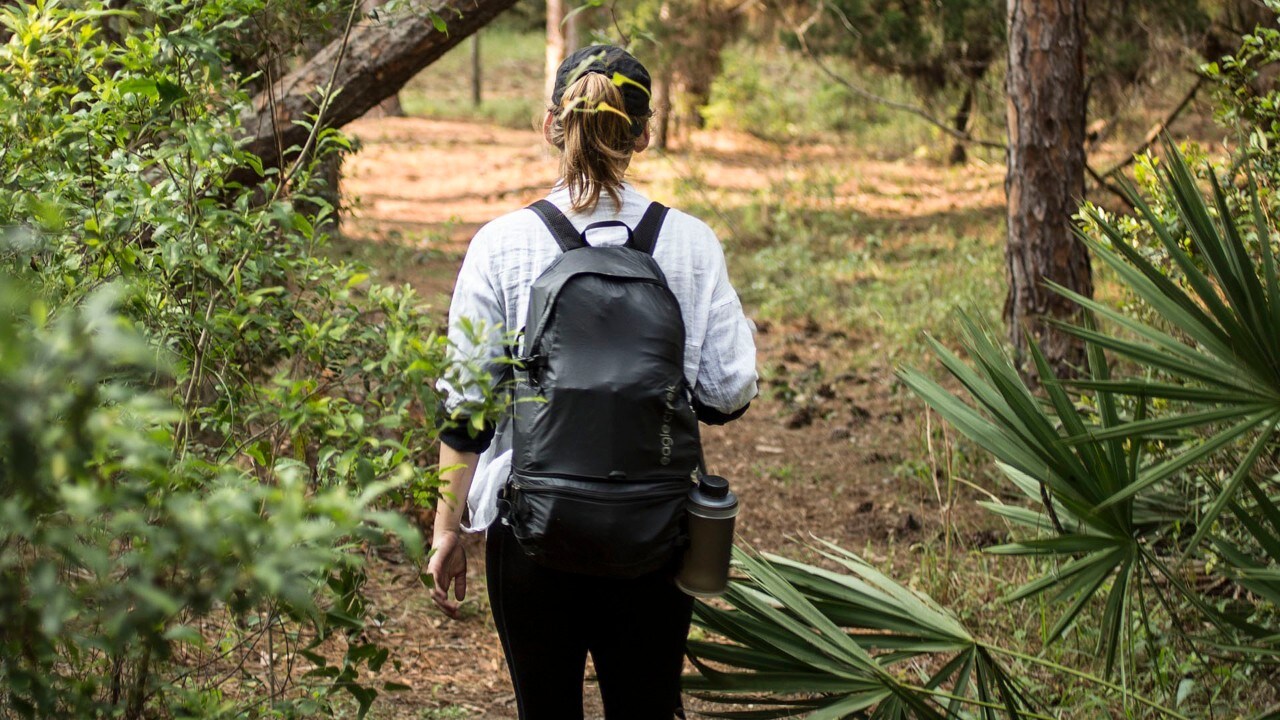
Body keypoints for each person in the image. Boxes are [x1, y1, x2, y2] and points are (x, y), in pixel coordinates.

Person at [427, 45, 758, 720]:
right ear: (642, 132)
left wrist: (447, 530)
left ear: (552, 123)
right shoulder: (690, 243)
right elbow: (728, 392)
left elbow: (467, 409)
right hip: (657, 534)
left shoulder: (502, 243)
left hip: (532, 530)